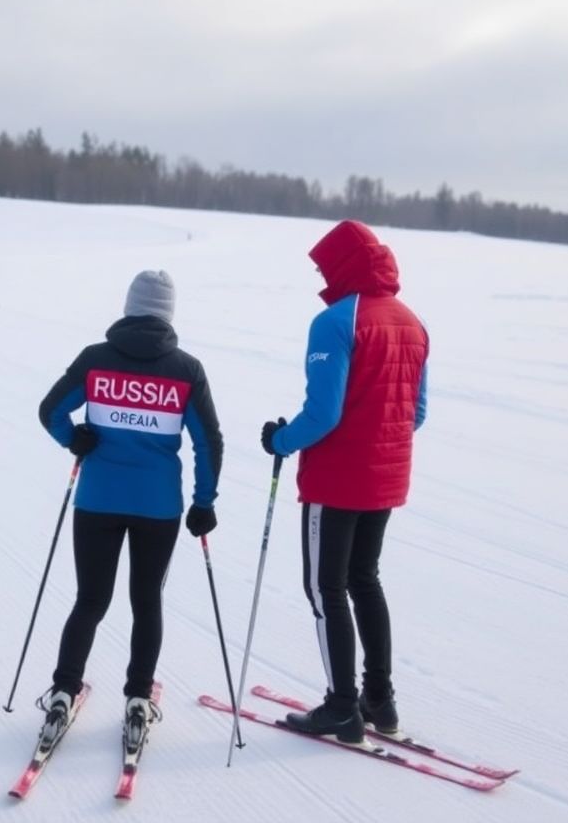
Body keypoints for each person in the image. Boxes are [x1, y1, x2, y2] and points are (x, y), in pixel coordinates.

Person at [37, 269, 223, 746]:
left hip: (98, 499)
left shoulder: (96, 359)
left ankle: (62, 691)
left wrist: (73, 437)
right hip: (157, 507)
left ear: (128, 306)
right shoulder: (186, 369)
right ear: (169, 313)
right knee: (147, 602)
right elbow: (209, 442)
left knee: (90, 600)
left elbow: (51, 410)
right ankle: (139, 698)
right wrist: (204, 502)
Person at [260, 220, 428, 744]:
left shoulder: (334, 322)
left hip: (336, 481)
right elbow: (415, 412)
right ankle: (379, 699)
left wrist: (281, 441)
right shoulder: (412, 322)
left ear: (344, 266)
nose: (320, 274)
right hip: (386, 477)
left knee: (324, 587)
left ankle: (341, 707)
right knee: (364, 579)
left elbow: (324, 413)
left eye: (324, 266)